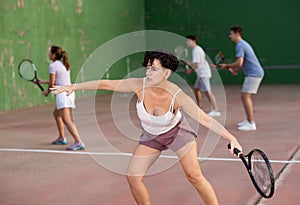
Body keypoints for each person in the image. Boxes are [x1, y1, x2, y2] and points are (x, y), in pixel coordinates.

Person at [51, 51, 242, 205]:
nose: (148, 73)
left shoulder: (178, 95)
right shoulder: (138, 85)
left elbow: (205, 119)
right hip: (151, 136)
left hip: (178, 134)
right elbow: (106, 83)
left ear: (166, 73)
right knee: (133, 177)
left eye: (154, 69)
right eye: (148, 68)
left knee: (193, 175)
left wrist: (231, 138)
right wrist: (73, 87)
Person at [38, 45, 85, 150]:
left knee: (67, 119)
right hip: (69, 92)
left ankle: (79, 142)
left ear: (54, 55)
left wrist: (47, 92)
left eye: (50, 52)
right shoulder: (64, 64)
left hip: (63, 94)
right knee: (56, 114)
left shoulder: (53, 66)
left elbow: (52, 84)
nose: (48, 54)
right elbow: (57, 81)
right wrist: (42, 81)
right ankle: (61, 138)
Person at [219, 26, 264, 131]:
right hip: (253, 73)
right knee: (245, 96)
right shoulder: (243, 44)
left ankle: (251, 123)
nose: (230, 36)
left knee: (245, 97)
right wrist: (236, 70)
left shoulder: (240, 45)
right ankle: (248, 120)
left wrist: (227, 66)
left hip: (254, 74)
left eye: (231, 34)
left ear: (236, 34)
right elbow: (245, 63)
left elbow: (240, 62)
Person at [186, 35, 221, 117]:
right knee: (196, 89)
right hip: (201, 74)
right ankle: (198, 107)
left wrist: (190, 70)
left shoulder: (196, 50)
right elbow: (196, 63)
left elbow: (197, 65)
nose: (187, 43)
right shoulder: (197, 49)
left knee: (208, 92)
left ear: (194, 41)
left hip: (203, 74)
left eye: (188, 41)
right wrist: (190, 63)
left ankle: (215, 110)